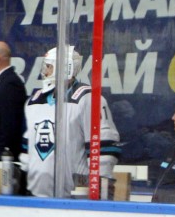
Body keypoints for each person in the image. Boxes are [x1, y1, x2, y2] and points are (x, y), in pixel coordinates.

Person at [21, 46, 121, 198]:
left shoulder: (88, 99)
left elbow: (103, 149)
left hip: (75, 198)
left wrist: (98, 190)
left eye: (49, 66)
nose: (44, 72)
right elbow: (27, 148)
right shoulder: (34, 101)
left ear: (65, 68)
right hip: (37, 196)